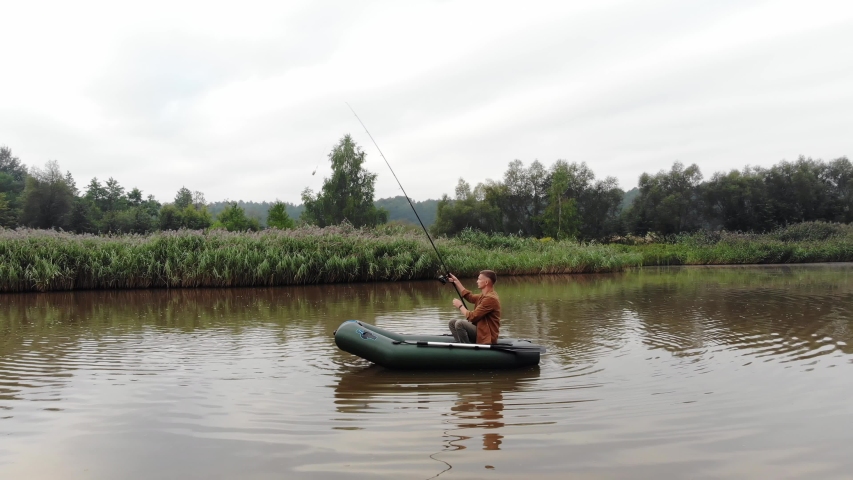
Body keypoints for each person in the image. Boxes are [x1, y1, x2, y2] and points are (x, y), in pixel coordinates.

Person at [446, 270, 501, 344]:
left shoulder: (490, 298)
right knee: (452, 323)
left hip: (487, 336)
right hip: (480, 329)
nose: (477, 281)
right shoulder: (484, 295)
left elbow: (472, 316)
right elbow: (470, 297)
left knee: (459, 323)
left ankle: (467, 348)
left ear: (486, 282)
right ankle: (460, 344)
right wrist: (457, 281)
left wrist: (460, 306)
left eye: (479, 279)